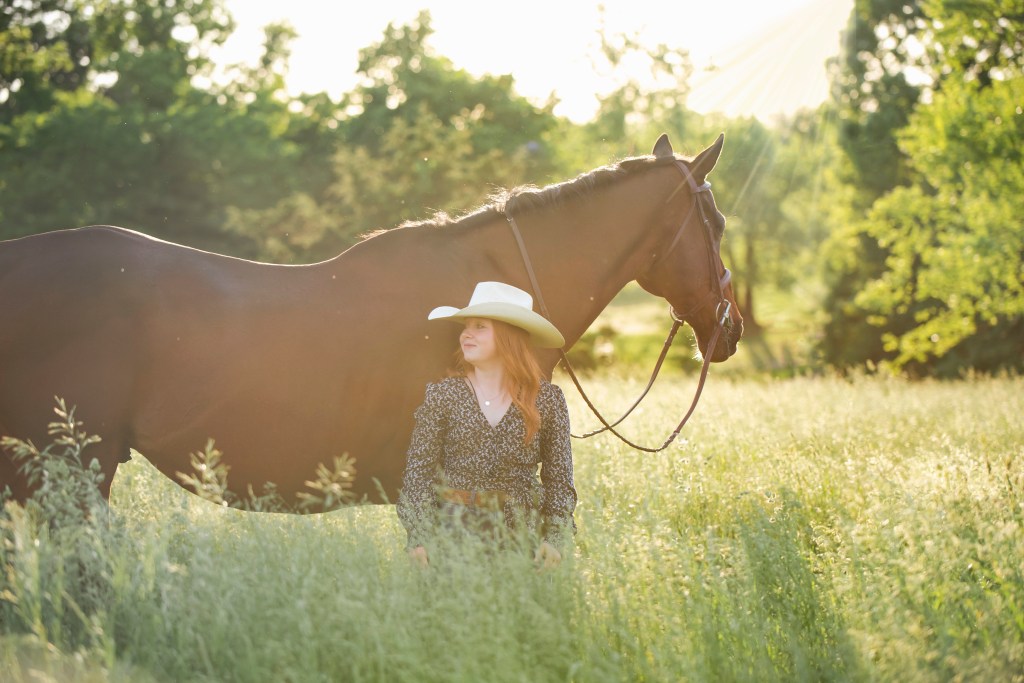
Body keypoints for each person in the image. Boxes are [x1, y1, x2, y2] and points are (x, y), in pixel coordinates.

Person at [397, 281, 577, 569]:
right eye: (466, 326)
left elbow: (560, 479)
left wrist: (555, 536)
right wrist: (419, 536)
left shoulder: (547, 399)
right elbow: (419, 473)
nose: (466, 334)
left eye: (480, 326)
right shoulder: (443, 396)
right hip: (451, 531)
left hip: (523, 534)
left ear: (509, 336)